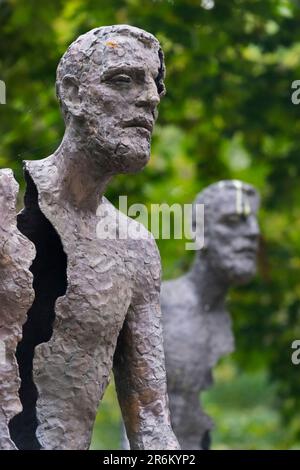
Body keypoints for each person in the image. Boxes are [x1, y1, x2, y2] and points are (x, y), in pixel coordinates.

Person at [9, 25, 179, 451]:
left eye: (155, 85)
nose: (150, 98)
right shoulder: (4, 210)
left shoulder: (135, 248)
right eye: (124, 80)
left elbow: (153, 423)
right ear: (72, 94)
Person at [161, 180, 260, 449]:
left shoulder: (232, 318)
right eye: (233, 221)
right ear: (198, 231)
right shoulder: (160, 305)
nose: (253, 232)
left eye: (253, 221)